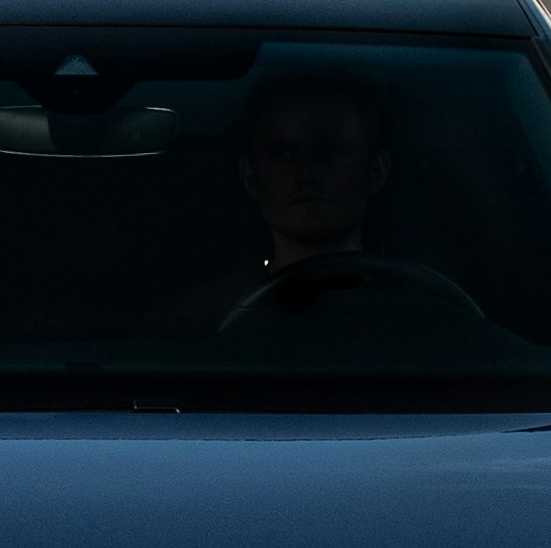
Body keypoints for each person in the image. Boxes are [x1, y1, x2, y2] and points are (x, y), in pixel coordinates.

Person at [176, 71, 491, 357]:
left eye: (328, 152)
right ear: (250, 177)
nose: (306, 173)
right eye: (284, 154)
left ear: (376, 171)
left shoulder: (433, 316)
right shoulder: (196, 324)